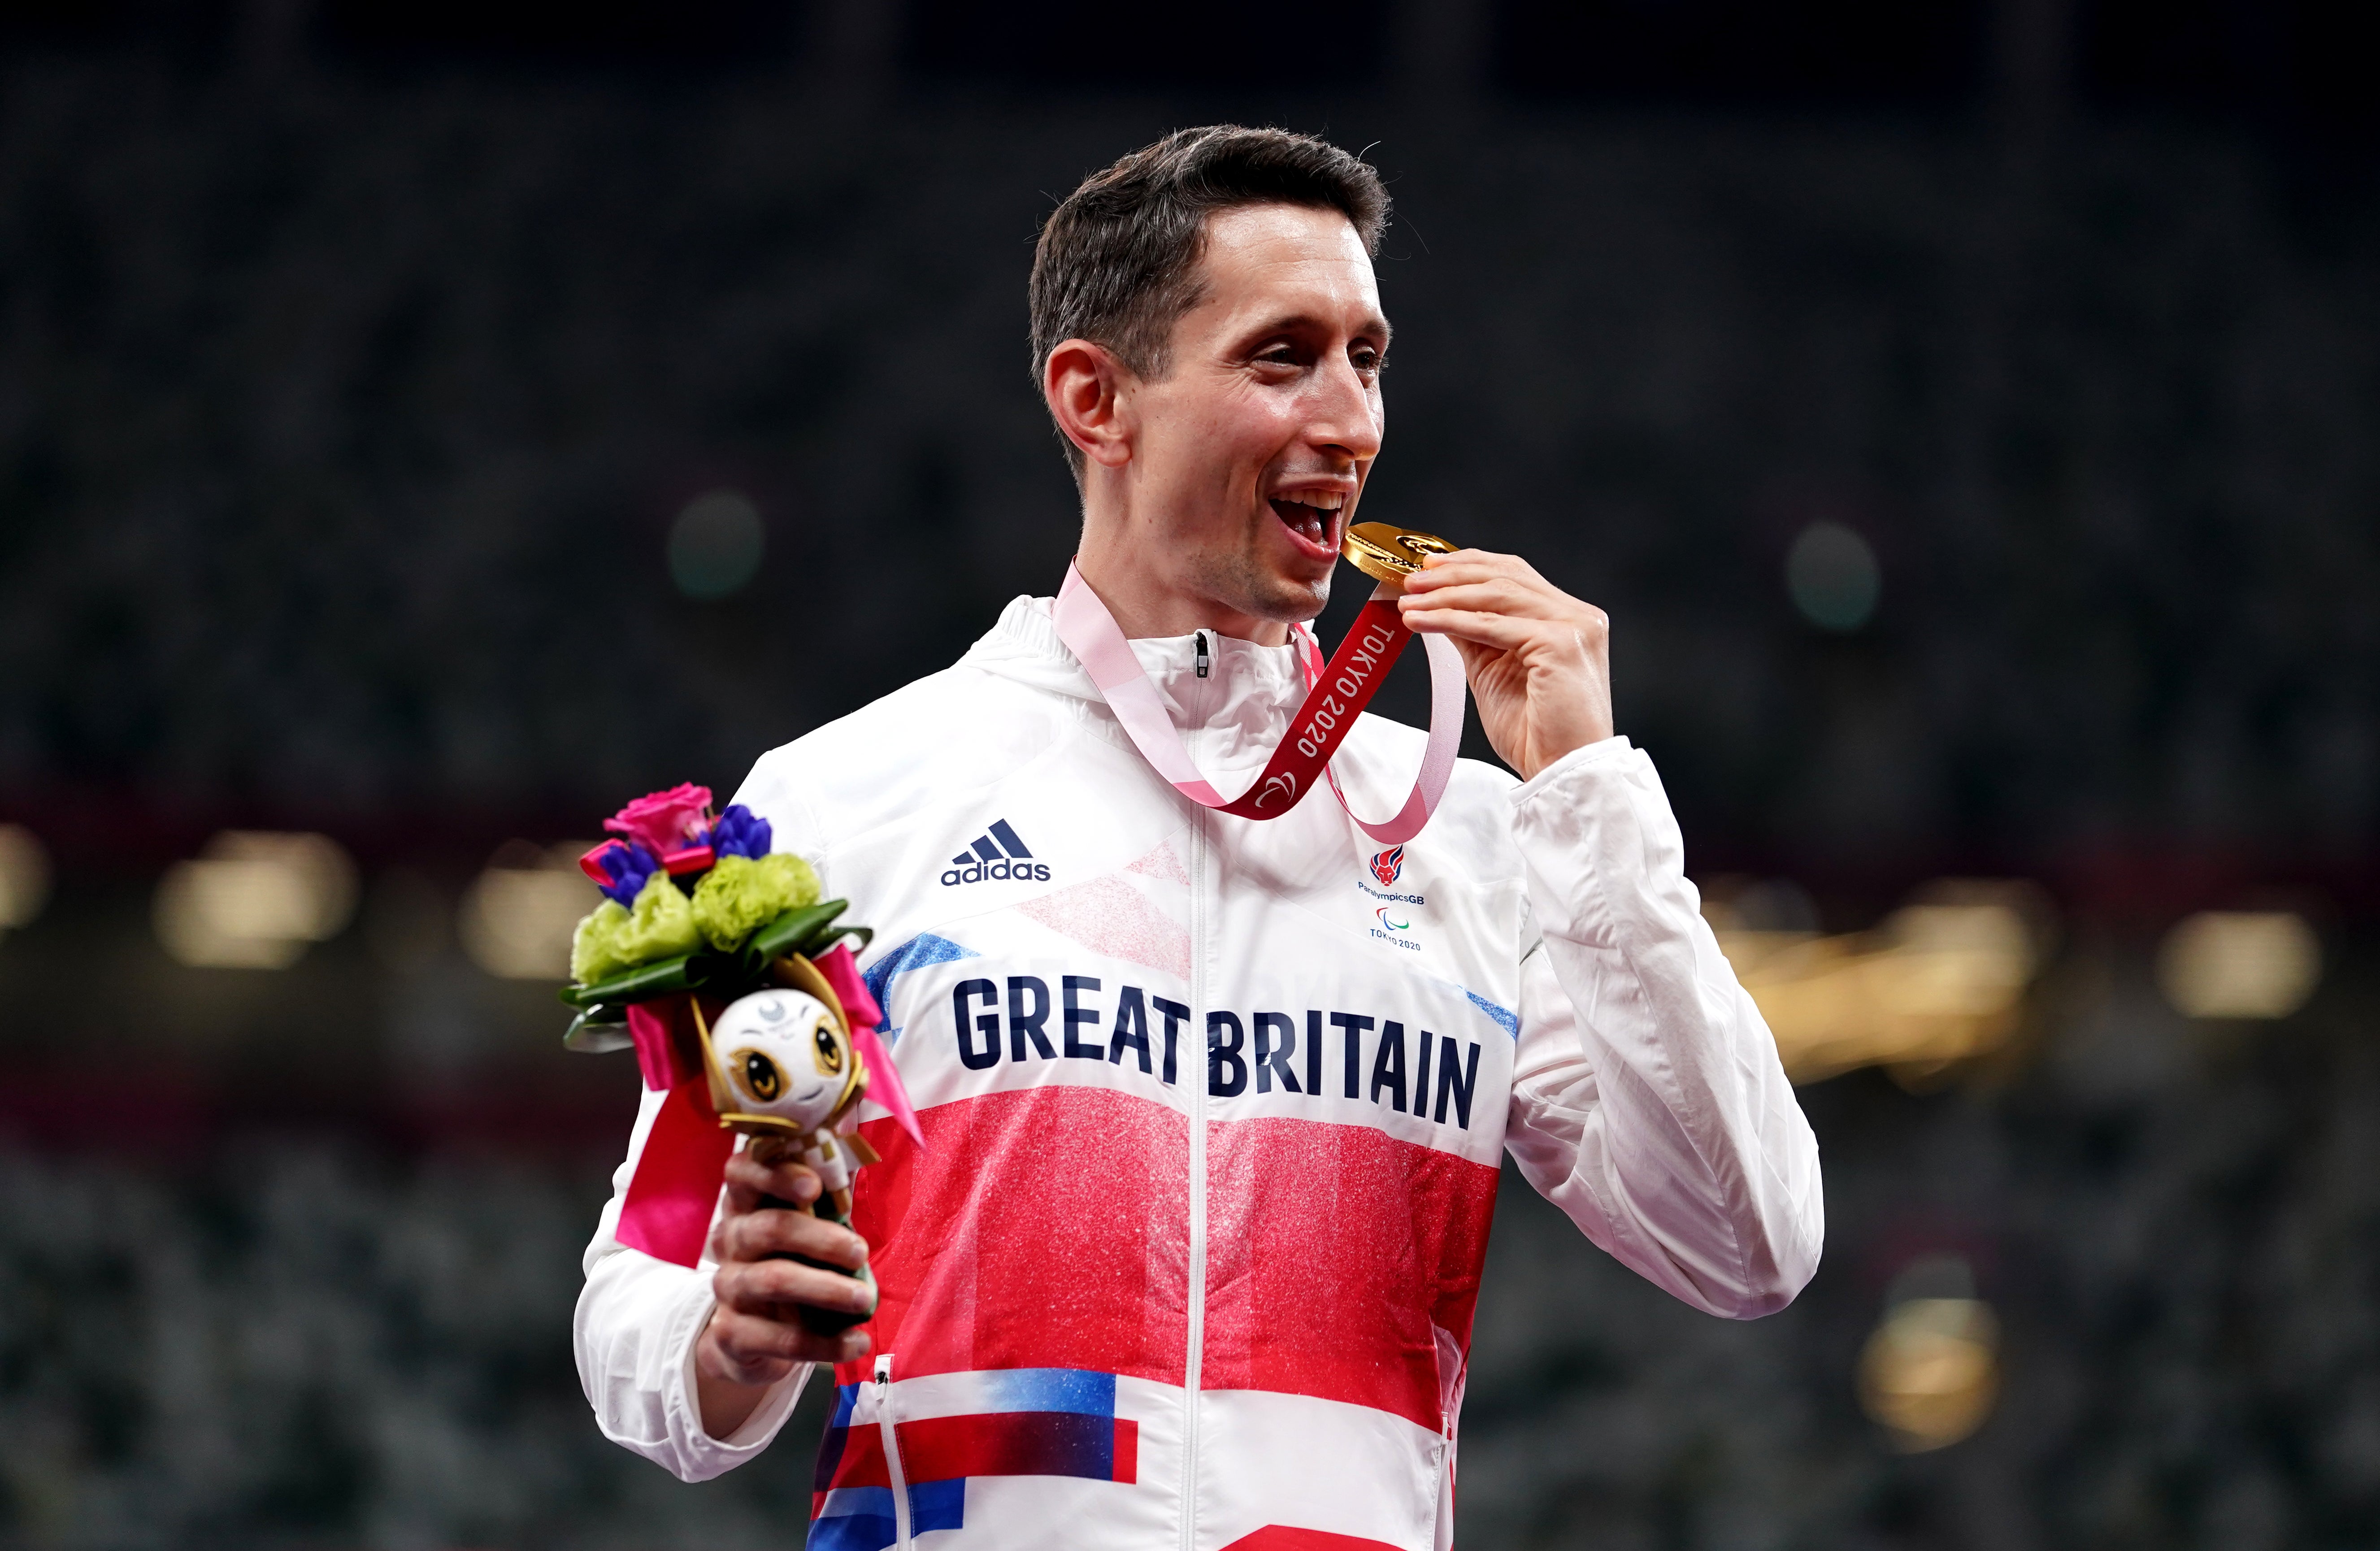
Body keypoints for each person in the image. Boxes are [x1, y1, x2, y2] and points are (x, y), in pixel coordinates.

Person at [575, 125, 1821, 1551]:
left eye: (1368, 357)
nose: (1351, 421)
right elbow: (638, 1293)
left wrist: (1588, 797)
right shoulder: (844, 798)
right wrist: (725, 1340)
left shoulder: (1474, 833)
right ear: (1095, 399)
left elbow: (1751, 1244)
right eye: (1282, 356)